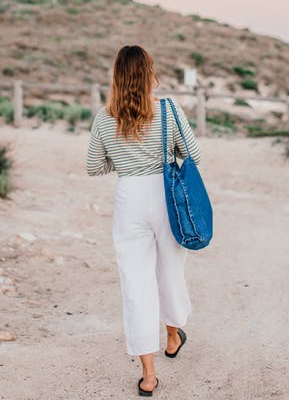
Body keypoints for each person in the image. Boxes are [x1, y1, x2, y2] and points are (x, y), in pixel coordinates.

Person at [87, 45, 201, 397]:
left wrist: (121, 162)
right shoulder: (167, 109)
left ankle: (148, 376)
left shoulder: (105, 118)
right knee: (169, 271)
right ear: (149, 73)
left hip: (129, 198)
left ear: (117, 76)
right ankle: (172, 334)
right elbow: (193, 154)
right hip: (165, 196)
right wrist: (166, 151)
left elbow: (94, 166)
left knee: (135, 285)